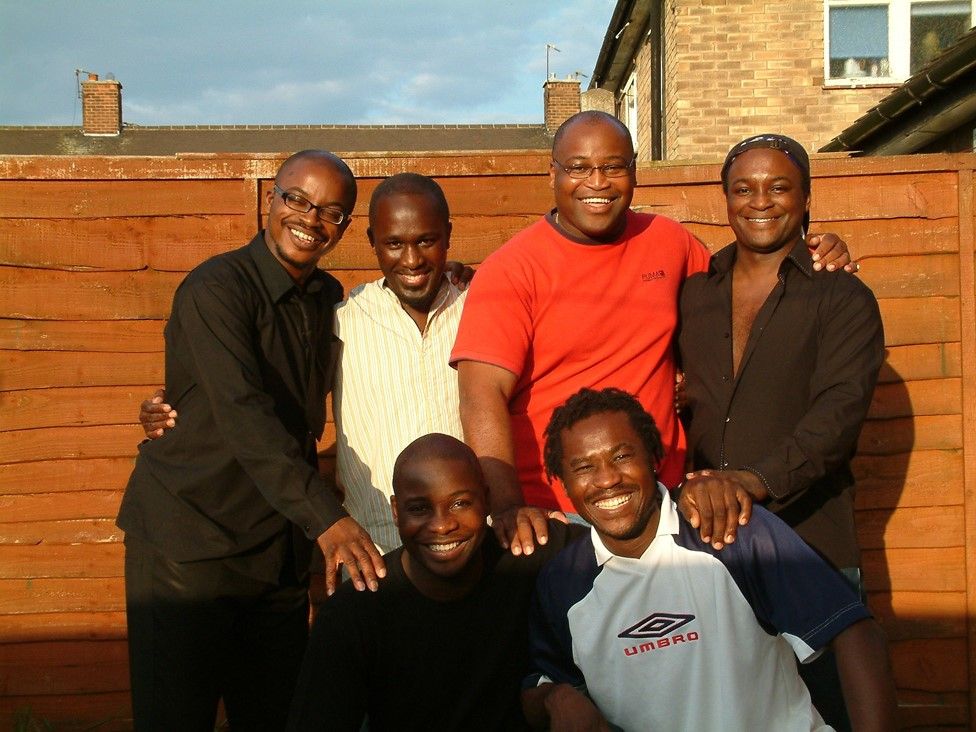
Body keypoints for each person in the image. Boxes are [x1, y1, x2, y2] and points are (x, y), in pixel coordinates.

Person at [450, 111, 855, 558]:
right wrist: (509, 506)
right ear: (553, 174)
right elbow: (480, 394)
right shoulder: (512, 270)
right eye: (580, 167)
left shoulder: (669, 242)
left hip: (668, 512)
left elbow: (746, 279)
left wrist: (813, 250)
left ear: (635, 171)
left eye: (613, 166)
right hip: (559, 518)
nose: (598, 182)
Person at [117, 150, 384, 731]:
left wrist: (455, 277)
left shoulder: (326, 298)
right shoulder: (215, 289)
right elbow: (243, 414)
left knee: (275, 716)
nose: (311, 220)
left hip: (274, 552)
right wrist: (328, 519)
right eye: (298, 200)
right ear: (271, 200)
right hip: (188, 544)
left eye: (332, 212)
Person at [139, 172, 469, 585]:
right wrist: (169, 407)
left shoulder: (325, 301)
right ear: (370, 240)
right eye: (297, 200)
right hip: (220, 532)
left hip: (452, 542)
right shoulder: (343, 314)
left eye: (426, 241)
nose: (412, 259)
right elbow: (238, 404)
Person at [523, 387, 897, 732]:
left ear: (654, 457)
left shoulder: (728, 530)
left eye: (621, 456)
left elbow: (854, 632)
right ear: (562, 483)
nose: (607, 480)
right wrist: (556, 696)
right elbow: (541, 687)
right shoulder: (563, 581)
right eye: (584, 467)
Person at [675, 133, 885, 729]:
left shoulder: (841, 296)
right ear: (726, 198)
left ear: (807, 198)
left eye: (778, 187)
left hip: (812, 545)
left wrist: (753, 480)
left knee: (826, 709)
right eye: (744, 188)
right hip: (710, 550)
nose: (759, 201)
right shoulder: (695, 293)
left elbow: (839, 416)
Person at [286, 433, 583, 731]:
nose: (442, 525)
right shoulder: (355, 613)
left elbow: (621, 550)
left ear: (487, 499)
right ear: (395, 511)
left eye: (460, 503)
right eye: (419, 508)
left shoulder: (527, 554)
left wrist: (559, 695)